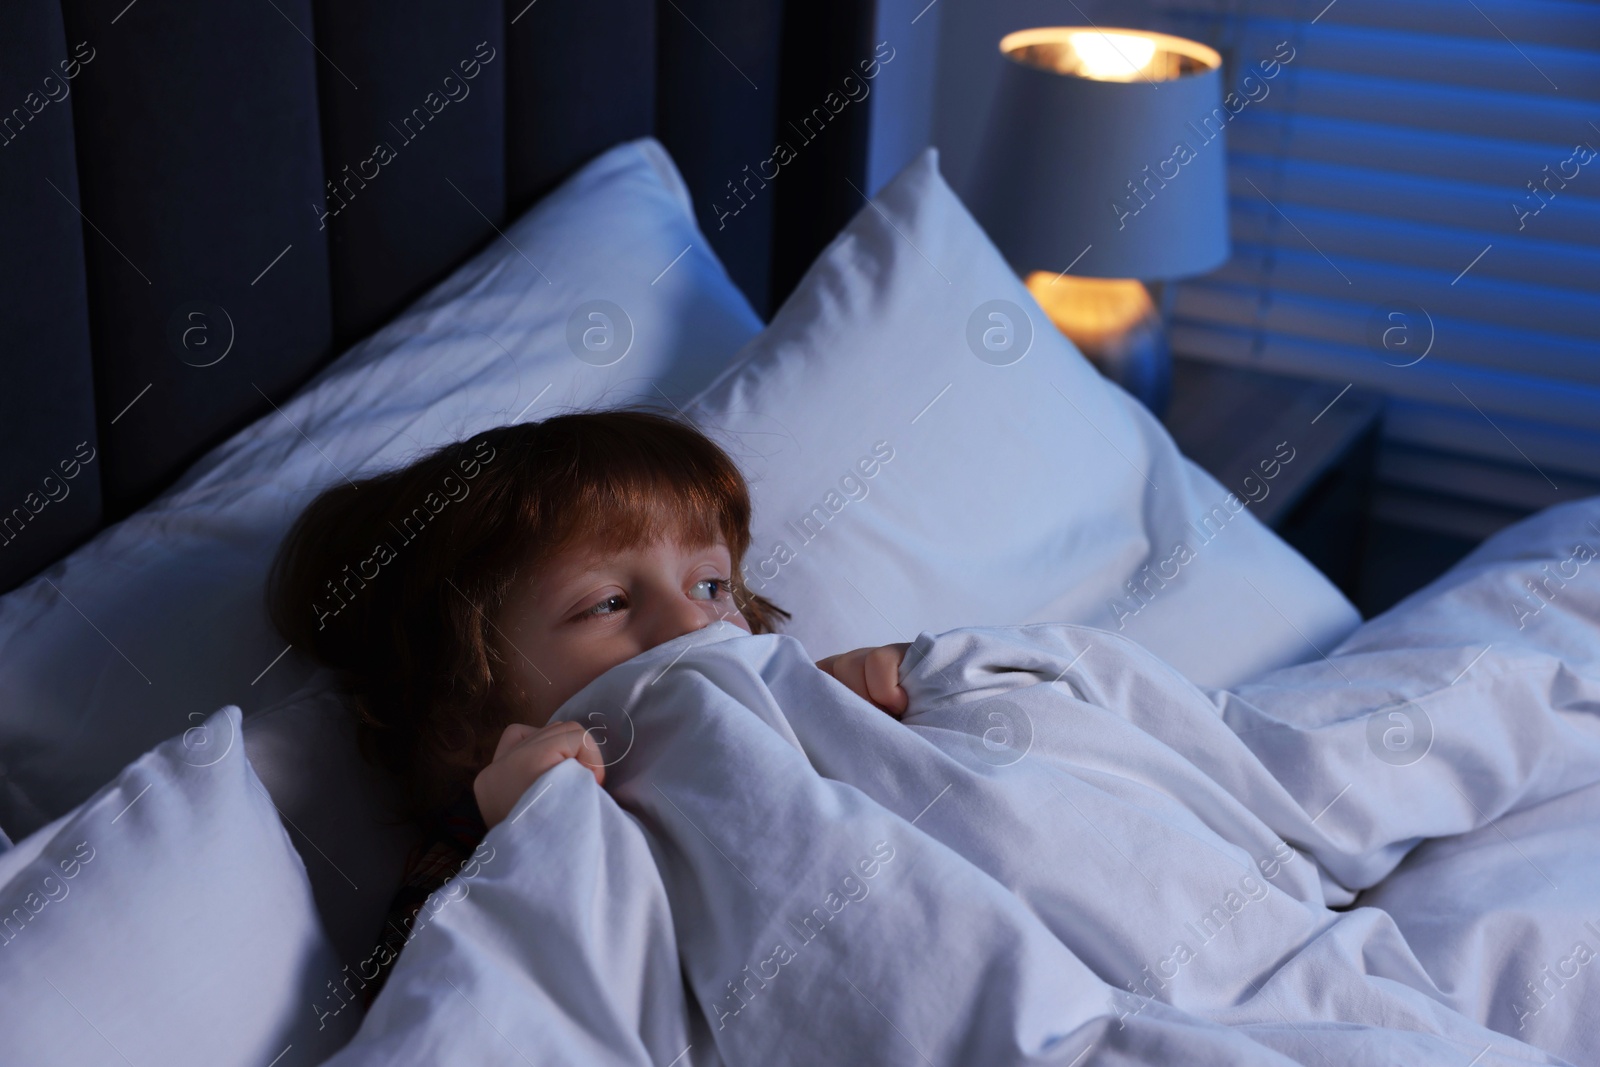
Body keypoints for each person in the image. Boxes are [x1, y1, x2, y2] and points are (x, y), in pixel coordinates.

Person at [267, 408, 910, 1007]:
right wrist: (520, 836)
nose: (693, 620)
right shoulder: (485, 844)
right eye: (607, 603)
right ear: (460, 721)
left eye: (712, 585)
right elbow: (429, 1008)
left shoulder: (805, 715)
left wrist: (895, 712)